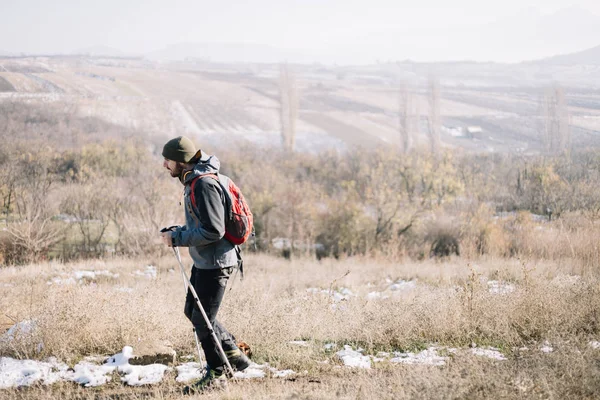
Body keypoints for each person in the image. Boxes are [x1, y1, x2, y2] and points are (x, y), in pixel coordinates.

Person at [159, 136, 249, 393]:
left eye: (168, 160)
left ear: (181, 161)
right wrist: (180, 230)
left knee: (203, 319)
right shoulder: (196, 180)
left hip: (216, 262)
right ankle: (234, 355)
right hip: (206, 260)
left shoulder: (203, 184)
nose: (165, 165)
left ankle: (217, 373)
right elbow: (203, 224)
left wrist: (177, 237)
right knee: (193, 311)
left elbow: (213, 230)